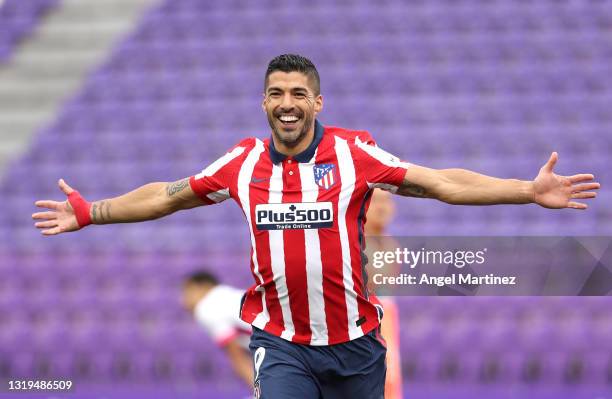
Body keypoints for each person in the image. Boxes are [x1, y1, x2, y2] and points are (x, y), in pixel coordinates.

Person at [32, 54, 600, 398]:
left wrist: (527, 190)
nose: (287, 103)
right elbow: (167, 196)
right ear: (263, 103)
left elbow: (441, 182)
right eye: (277, 93)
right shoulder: (241, 163)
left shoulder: (356, 156)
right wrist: (92, 212)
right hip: (281, 343)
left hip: (356, 345)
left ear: (317, 101)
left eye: (298, 93)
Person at [181, 271, 253, 387]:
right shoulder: (230, 295)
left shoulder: (205, 308)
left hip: (281, 344)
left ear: (202, 287)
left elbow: (239, 360)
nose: (183, 301)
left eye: (187, 291)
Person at [363, 189, 403, 399]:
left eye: (387, 201)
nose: (383, 208)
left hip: (386, 320)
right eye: (376, 201)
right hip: (364, 320)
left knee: (390, 378)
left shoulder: (391, 246)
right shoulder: (355, 245)